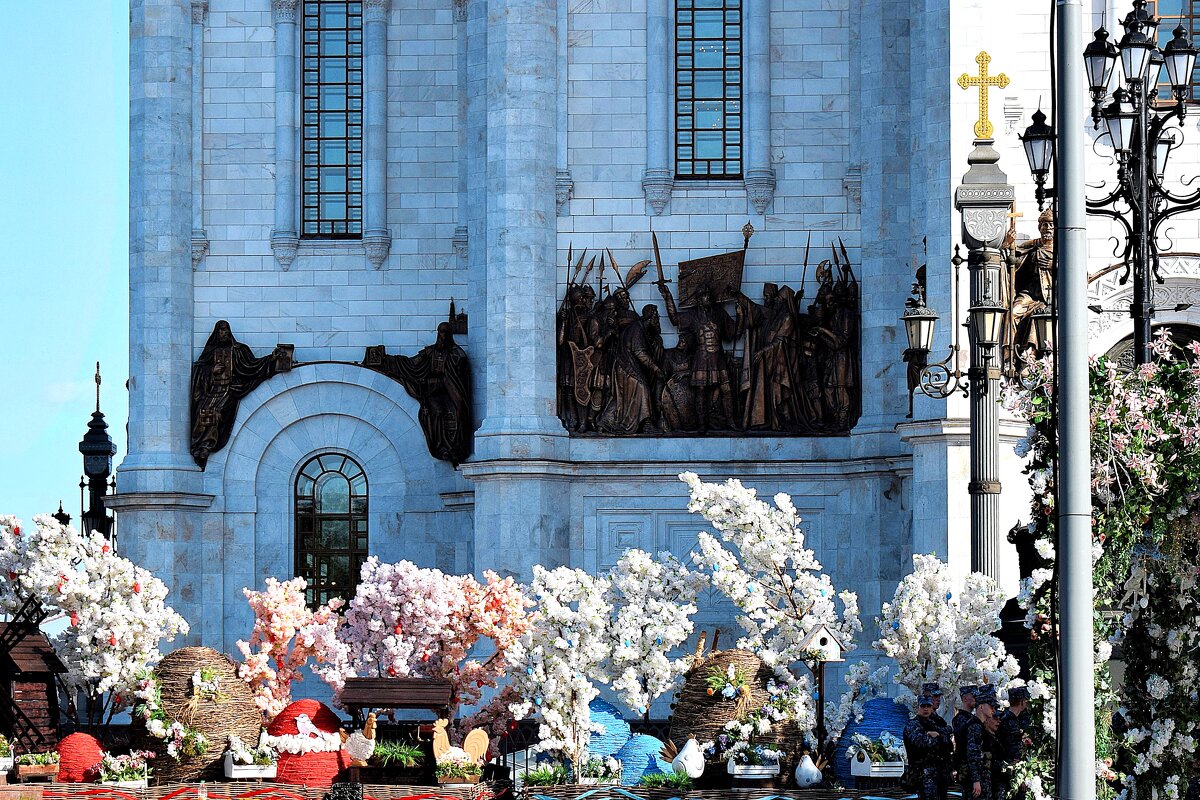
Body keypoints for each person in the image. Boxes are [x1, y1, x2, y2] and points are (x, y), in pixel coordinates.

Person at [904, 695, 953, 800]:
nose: (926, 709)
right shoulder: (913, 725)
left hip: (940, 775)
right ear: (918, 707)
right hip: (922, 775)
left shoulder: (935, 724)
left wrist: (937, 735)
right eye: (923, 706)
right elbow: (922, 742)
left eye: (928, 706)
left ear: (932, 708)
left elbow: (948, 742)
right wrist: (936, 737)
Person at [994, 686, 1032, 800]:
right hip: (1008, 773)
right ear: (1021, 702)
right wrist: (1019, 778)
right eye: (1025, 700)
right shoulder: (1011, 722)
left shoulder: (1006, 717)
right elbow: (1013, 753)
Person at [963, 687, 1000, 800]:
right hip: (976, 778)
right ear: (981, 707)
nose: (993, 710)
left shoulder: (980, 726)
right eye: (990, 706)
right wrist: (976, 780)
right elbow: (973, 754)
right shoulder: (975, 726)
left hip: (983, 776)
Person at [954, 685, 979, 781]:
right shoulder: (960, 719)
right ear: (964, 698)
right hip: (965, 765)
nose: (975, 699)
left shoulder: (971, 718)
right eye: (973, 696)